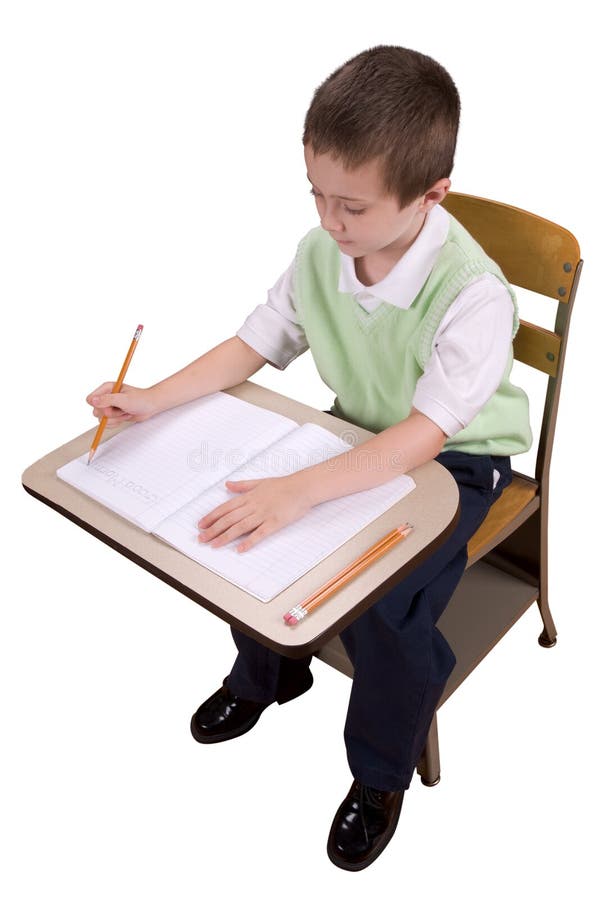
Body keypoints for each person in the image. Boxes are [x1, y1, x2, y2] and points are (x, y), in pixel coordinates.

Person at [86, 45, 532, 871]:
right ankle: (269, 675)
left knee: (384, 603)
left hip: (456, 459)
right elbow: (254, 343)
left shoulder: (473, 295)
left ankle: (380, 772)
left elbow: (423, 438)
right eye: (318, 195)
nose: (331, 222)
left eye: (352, 207)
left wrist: (300, 491)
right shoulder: (321, 252)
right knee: (238, 528)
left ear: (431, 196)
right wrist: (155, 398)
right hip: (355, 433)